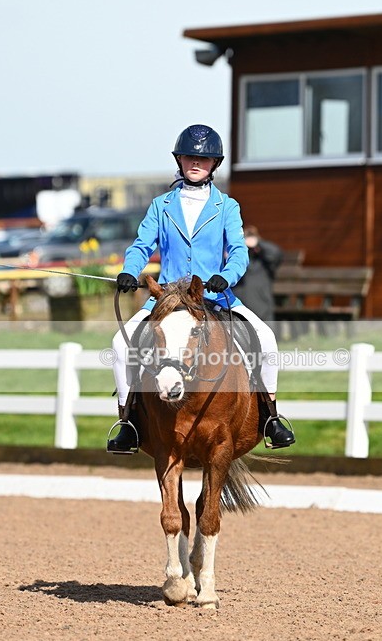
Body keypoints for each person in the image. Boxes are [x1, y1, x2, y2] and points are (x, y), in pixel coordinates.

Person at [107, 124, 295, 453]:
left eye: (203, 159)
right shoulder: (160, 206)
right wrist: (129, 271)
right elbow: (140, 246)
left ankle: (270, 417)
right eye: (190, 157)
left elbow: (238, 251)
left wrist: (227, 275)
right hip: (168, 301)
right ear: (179, 161)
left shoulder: (228, 207)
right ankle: (127, 423)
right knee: (120, 346)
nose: (196, 163)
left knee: (266, 339)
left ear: (214, 164)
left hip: (214, 297)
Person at [234, 225, 283, 328]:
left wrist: (258, 243)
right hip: (240, 310)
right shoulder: (237, 262)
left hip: (263, 310)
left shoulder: (265, 262)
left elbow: (276, 253)